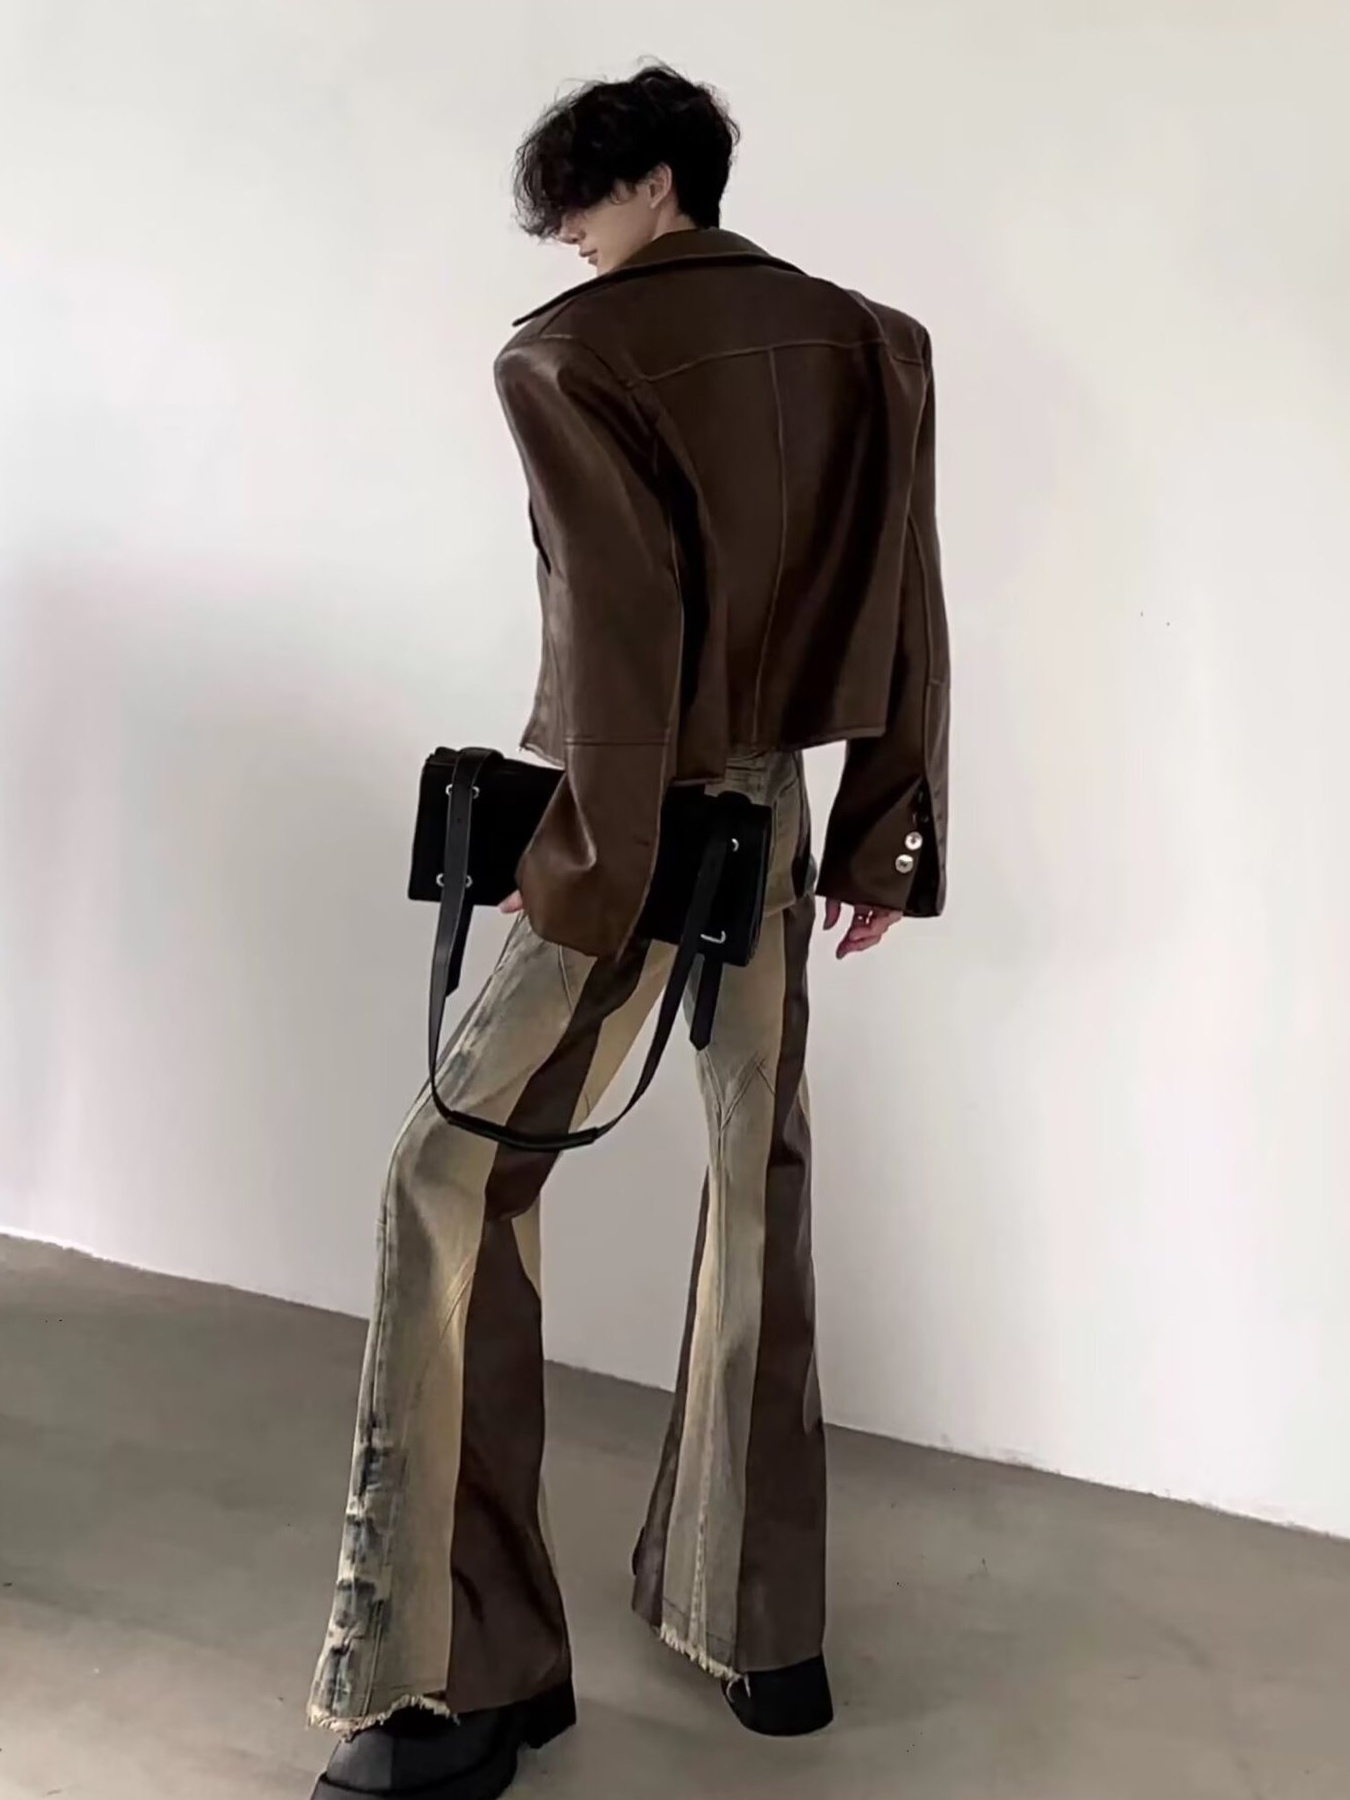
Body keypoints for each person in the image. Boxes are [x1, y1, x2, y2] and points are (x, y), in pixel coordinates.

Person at [308, 62, 949, 1800]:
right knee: (758, 1167)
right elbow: (908, 598)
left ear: (659, 182)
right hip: (776, 813)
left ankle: (462, 1678)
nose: (569, 241)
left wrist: (582, 866)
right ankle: (762, 1630)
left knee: (443, 1178)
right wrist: (882, 834)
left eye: (581, 203)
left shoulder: (568, 356)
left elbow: (619, 640)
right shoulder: (874, 341)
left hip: (639, 815)